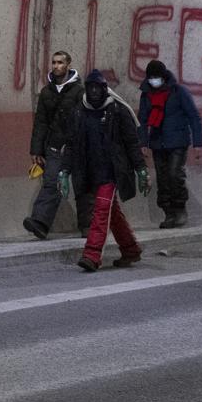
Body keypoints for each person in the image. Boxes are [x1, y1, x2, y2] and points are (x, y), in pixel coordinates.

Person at [68, 71, 146, 272]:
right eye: (90, 88)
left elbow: (131, 143)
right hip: (90, 171)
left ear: (104, 89)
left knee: (101, 210)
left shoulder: (118, 111)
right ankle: (130, 250)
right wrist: (64, 170)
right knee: (112, 212)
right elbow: (73, 144)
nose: (94, 92)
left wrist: (141, 169)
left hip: (111, 171)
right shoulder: (79, 111)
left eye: (97, 88)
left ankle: (92, 255)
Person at [135, 58, 202, 228]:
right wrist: (143, 142)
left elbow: (194, 116)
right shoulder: (147, 95)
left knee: (175, 174)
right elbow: (142, 120)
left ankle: (180, 210)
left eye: (156, 77)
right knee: (163, 179)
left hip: (178, 141)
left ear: (163, 76)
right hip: (158, 142)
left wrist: (198, 142)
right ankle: (168, 213)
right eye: (151, 77)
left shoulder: (179, 92)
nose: (153, 80)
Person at [22, 51, 82, 240]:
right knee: (51, 183)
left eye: (60, 63)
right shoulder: (47, 92)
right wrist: (36, 150)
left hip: (77, 146)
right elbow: (40, 122)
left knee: (83, 186)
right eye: (54, 62)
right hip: (55, 147)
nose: (56, 66)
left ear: (69, 64)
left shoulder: (80, 90)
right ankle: (40, 223)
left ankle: (88, 225)